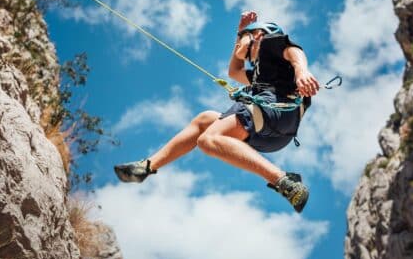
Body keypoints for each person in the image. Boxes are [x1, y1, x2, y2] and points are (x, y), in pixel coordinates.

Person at [113, 11, 321, 213]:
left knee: (208, 139)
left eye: (242, 39)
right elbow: (234, 72)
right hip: (275, 134)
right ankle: (148, 167)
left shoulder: (269, 44)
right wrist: (241, 33)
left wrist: (302, 71)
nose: (238, 43)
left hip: (274, 112)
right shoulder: (259, 73)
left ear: (258, 35)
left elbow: (293, 52)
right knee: (205, 119)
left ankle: (283, 180)